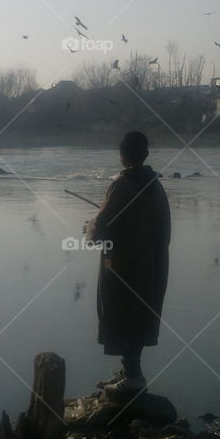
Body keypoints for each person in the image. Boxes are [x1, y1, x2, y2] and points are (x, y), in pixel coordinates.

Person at [84, 131, 171, 394]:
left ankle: (133, 377)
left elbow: (100, 225)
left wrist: (89, 229)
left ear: (122, 156)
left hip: (122, 266)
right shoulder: (156, 185)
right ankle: (130, 373)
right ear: (145, 154)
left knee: (122, 313)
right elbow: (165, 230)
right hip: (153, 264)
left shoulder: (121, 185)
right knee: (139, 315)